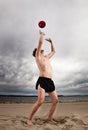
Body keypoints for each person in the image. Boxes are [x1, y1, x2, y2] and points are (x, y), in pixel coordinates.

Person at [27, 31, 58, 125]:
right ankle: (29, 119)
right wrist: (41, 35)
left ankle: (50, 118)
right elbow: (40, 44)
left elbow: (53, 51)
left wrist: (51, 42)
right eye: (39, 50)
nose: (42, 50)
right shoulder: (38, 58)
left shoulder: (46, 57)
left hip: (50, 81)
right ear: (37, 52)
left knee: (55, 100)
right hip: (42, 81)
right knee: (40, 101)